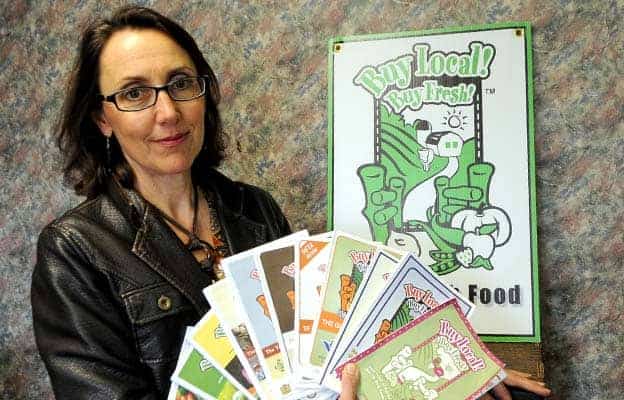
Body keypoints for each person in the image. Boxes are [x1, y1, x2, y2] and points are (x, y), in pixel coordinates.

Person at [31, 6, 551, 400]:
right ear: (102, 119)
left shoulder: (254, 210)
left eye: (181, 84)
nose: (167, 112)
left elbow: (335, 344)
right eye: (134, 93)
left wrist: (456, 372)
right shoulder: (76, 250)